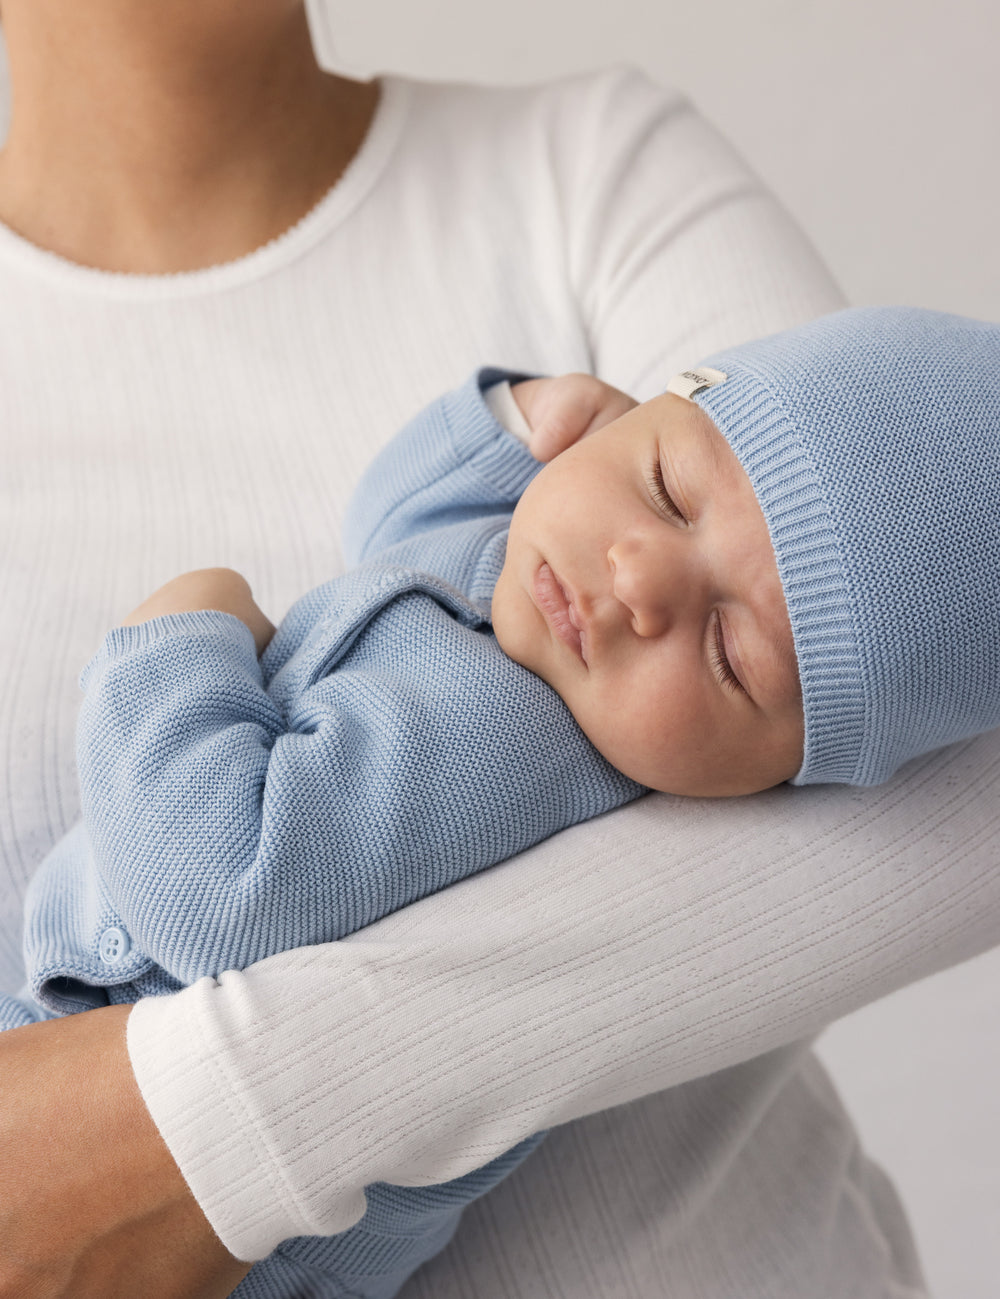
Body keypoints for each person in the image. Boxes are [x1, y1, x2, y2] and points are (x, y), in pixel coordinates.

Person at [1, 3, 997, 1297]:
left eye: (735, 661)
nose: (637, 578)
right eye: (661, 489)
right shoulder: (534, 635)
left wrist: (177, 638)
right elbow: (404, 543)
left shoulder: (507, 733)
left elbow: (214, 880)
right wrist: (512, 428)